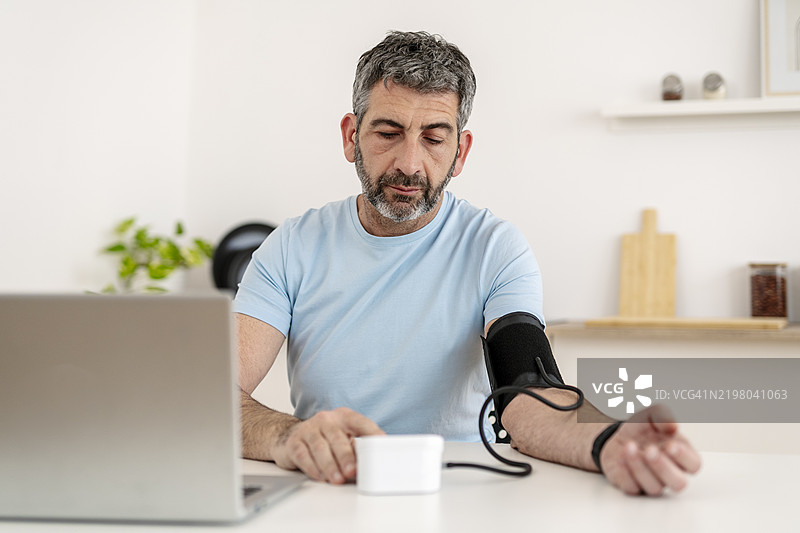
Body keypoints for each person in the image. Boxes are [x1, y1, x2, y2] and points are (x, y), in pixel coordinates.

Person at [234, 31, 701, 495]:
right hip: (330, 490)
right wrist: (288, 435)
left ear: (461, 152)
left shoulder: (495, 249)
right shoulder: (290, 247)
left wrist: (606, 439)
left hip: (458, 494)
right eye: (388, 133)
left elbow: (527, 389)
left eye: (434, 138)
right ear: (351, 136)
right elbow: (209, 396)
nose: (410, 163)